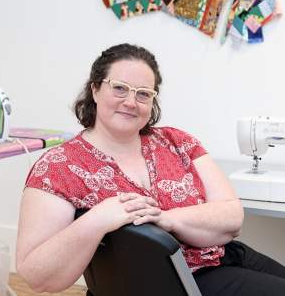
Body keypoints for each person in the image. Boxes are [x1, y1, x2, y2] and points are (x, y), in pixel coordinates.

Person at [16, 43, 285, 295]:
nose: (131, 102)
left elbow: (232, 217)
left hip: (226, 255)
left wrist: (167, 219)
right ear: (95, 89)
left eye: (143, 94)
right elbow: (35, 274)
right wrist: (97, 219)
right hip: (176, 280)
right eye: (119, 88)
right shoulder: (59, 167)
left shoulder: (177, 142)